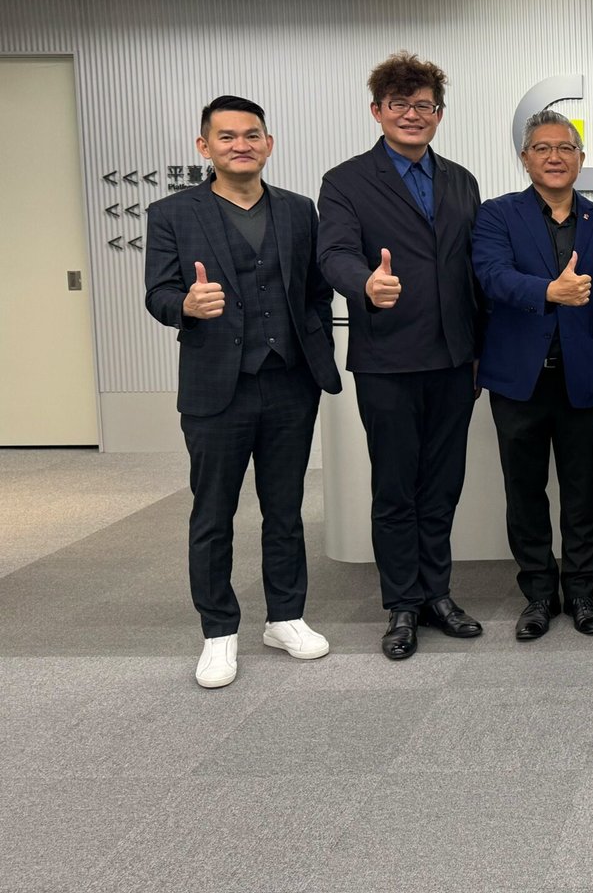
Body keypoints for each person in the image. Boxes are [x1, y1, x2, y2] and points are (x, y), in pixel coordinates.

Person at [144, 96, 342, 688]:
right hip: (216, 388)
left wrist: (313, 347)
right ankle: (218, 632)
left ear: (268, 144)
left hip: (289, 382)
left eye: (251, 135)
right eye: (226, 136)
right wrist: (185, 304)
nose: (240, 145)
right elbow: (158, 293)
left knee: (285, 509)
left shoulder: (299, 210)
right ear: (204, 147)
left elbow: (316, 293)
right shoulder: (172, 213)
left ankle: (285, 617)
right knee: (213, 513)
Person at [317, 51, 485, 661]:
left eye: (424, 106)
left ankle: (437, 593)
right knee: (395, 489)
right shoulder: (345, 181)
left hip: (455, 360)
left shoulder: (461, 180)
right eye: (400, 105)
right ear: (377, 111)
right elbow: (333, 253)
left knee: (442, 486)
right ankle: (403, 604)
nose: (413, 115)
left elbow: (473, 269)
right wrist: (364, 283)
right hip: (387, 357)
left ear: (439, 113)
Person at [473, 110, 593, 640]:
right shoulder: (497, 215)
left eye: (565, 147)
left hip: (582, 381)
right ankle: (539, 594)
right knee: (525, 493)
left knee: (583, 494)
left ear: (581, 159)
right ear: (525, 158)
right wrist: (548, 291)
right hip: (518, 380)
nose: (555, 157)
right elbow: (492, 276)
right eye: (542, 148)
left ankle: (582, 592)